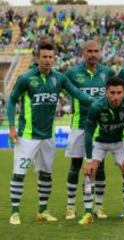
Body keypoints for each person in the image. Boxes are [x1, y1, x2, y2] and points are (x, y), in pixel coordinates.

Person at [7, 39, 92, 225]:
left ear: (54, 59)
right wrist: (12, 127)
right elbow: (12, 100)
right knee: (19, 173)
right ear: (38, 58)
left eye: (50, 57)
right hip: (27, 136)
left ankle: (43, 210)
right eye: (44, 56)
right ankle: (14, 212)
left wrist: (99, 104)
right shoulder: (26, 78)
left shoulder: (59, 78)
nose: (47, 60)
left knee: (46, 174)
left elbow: (78, 94)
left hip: (48, 136)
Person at [64, 40, 115, 220]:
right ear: (83, 53)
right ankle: (70, 206)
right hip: (79, 126)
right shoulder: (72, 73)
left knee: (99, 166)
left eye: (96, 51)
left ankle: (98, 207)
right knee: (76, 165)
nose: (93, 54)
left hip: (100, 127)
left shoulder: (107, 72)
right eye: (90, 51)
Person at [79, 77, 124, 225]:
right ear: (106, 92)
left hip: (119, 143)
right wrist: (88, 160)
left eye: (119, 93)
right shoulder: (96, 106)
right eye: (112, 93)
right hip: (99, 143)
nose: (116, 97)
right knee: (89, 173)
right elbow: (88, 133)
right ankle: (88, 212)